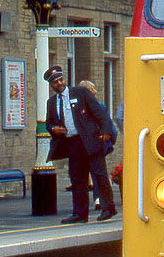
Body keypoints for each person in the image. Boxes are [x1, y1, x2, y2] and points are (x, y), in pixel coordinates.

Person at [44, 66, 117, 223]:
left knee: (99, 175)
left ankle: (108, 208)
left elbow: (99, 113)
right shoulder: (51, 103)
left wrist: (106, 133)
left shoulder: (80, 93)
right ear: (52, 85)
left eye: (61, 79)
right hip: (72, 143)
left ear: (65, 79)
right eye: (55, 82)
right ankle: (80, 213)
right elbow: (49, 123)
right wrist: (53, 129)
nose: (59, 83)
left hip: (90, 141)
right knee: (77, 179)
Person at [78, 80, 117, 210]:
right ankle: (100, 199)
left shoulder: (80, 108)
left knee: (90, 173)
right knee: (98, 173)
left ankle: (97, 199)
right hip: (95, 143)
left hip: (90, 143)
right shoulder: (100, 106)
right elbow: (109, 125)